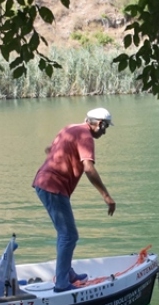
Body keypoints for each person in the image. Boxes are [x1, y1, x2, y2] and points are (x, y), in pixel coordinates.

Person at [32, 108, 116, 292]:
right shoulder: (85, 136)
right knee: (69, 235)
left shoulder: (70, 128)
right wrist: (106, 196)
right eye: (105, 127)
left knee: (66, 234)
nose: (105, 131)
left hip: (44, 182)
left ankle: (67, 273)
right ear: (99, 123)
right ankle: (62, 283)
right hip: (53, 186)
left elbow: (50, 149)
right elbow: (88, 168)